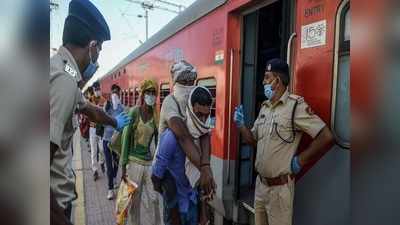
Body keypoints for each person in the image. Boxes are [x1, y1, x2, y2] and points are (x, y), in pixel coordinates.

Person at [50, 1, 131, 224]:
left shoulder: (60, 67)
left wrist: (114, 121)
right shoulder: (64, 82)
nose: (99, 55)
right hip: (54, 205)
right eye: (101, 48)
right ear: (92, 45)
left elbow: (89, 109)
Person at [233, 58, 335, 225]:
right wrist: (241, 126)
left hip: (279, 191)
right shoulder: (265, 107)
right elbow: (253, 141)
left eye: (266, 77)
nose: (263, 81)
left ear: (277, 81)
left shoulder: (295, 106)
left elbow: (326, 136)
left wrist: (300, 161)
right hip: (261, 186)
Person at [152, 86, 213, 225]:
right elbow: (156, 177)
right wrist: (171, 201)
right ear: (191, 109)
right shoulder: (170, 138)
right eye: (199, 114)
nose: (203, 120)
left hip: (193, 206)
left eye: (206, 115)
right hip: (176, 212)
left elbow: (202, 180)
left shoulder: (203, 138)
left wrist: (203, 214)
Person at [155, 60, 216, 198]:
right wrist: (205, 170)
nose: (189, 86)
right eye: (185, 82)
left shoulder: (191, 103)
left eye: (191, 82)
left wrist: (205, 165)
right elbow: (183, 136)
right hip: (171, 172)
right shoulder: (170, 102)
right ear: (176, 83)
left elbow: (204, 132)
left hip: (191, 167)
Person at [120, 79, 161, 225]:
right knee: (134, 202)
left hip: (149, 164)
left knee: (155, 200)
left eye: (153, 93)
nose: (151, 95)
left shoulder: (156, 116)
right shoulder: (134, 112)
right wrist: (123, 167)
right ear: (143, 94)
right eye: (148, 92)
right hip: (133, 162)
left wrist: (159, 167)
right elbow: (126, 139)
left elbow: (158, 143)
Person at [102, 84, 124, 199]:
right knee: (109, 165)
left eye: (117, 92)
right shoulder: (107, 105)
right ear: (111, 93)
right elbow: (101, 119)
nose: (115, 94)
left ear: (119, 94)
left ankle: (114, 177)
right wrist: (106, 108)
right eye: (113, 92)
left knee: (116, 162)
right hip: (106, 139)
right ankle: (110, 189)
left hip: (116, 140)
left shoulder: (121, 107)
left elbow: (124, 121)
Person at [89, 81, 106, 180]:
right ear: (93, 90)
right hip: (92, 128)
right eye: (96, 90)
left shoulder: (103, 100)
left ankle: (101, 161)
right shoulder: (89, 100)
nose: (97, 91)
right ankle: (95, 170)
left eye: (99, 89)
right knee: (94, 150)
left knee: (102, 149)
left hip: (101, 129)